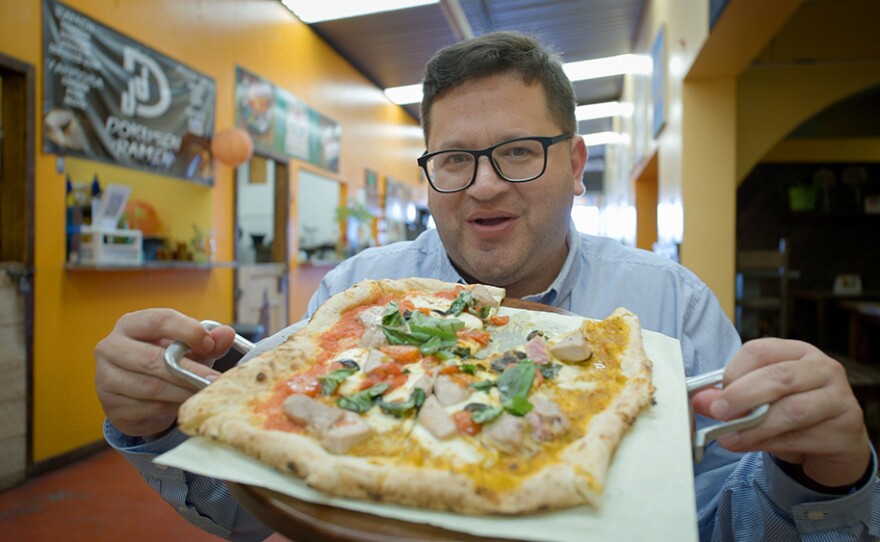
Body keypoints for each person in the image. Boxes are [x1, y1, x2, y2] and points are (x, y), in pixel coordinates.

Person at [95, 31, 878, 542]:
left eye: (520, 152)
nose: (485, 188)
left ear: (575, 167)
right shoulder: (361, 292)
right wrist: (156, 423)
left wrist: (825, 476)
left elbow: (719, 519)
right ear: (429, 174)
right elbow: (250, 498)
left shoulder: (668, 307)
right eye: (456, 159)